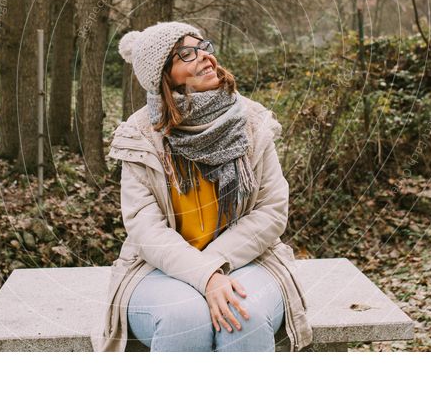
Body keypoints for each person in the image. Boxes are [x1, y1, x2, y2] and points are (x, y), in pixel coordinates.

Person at [91, 21, 312, 352]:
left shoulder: (252, 122)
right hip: (157, 269)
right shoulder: (139, 135)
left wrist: (213, 268)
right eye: (187, 53)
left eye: (204, 47)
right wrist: (205, 276)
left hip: (250, 261)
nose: (205, 57)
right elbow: (145, 229)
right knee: (183, 317)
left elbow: (272, 210)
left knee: (243, 314)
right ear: (163, 75)